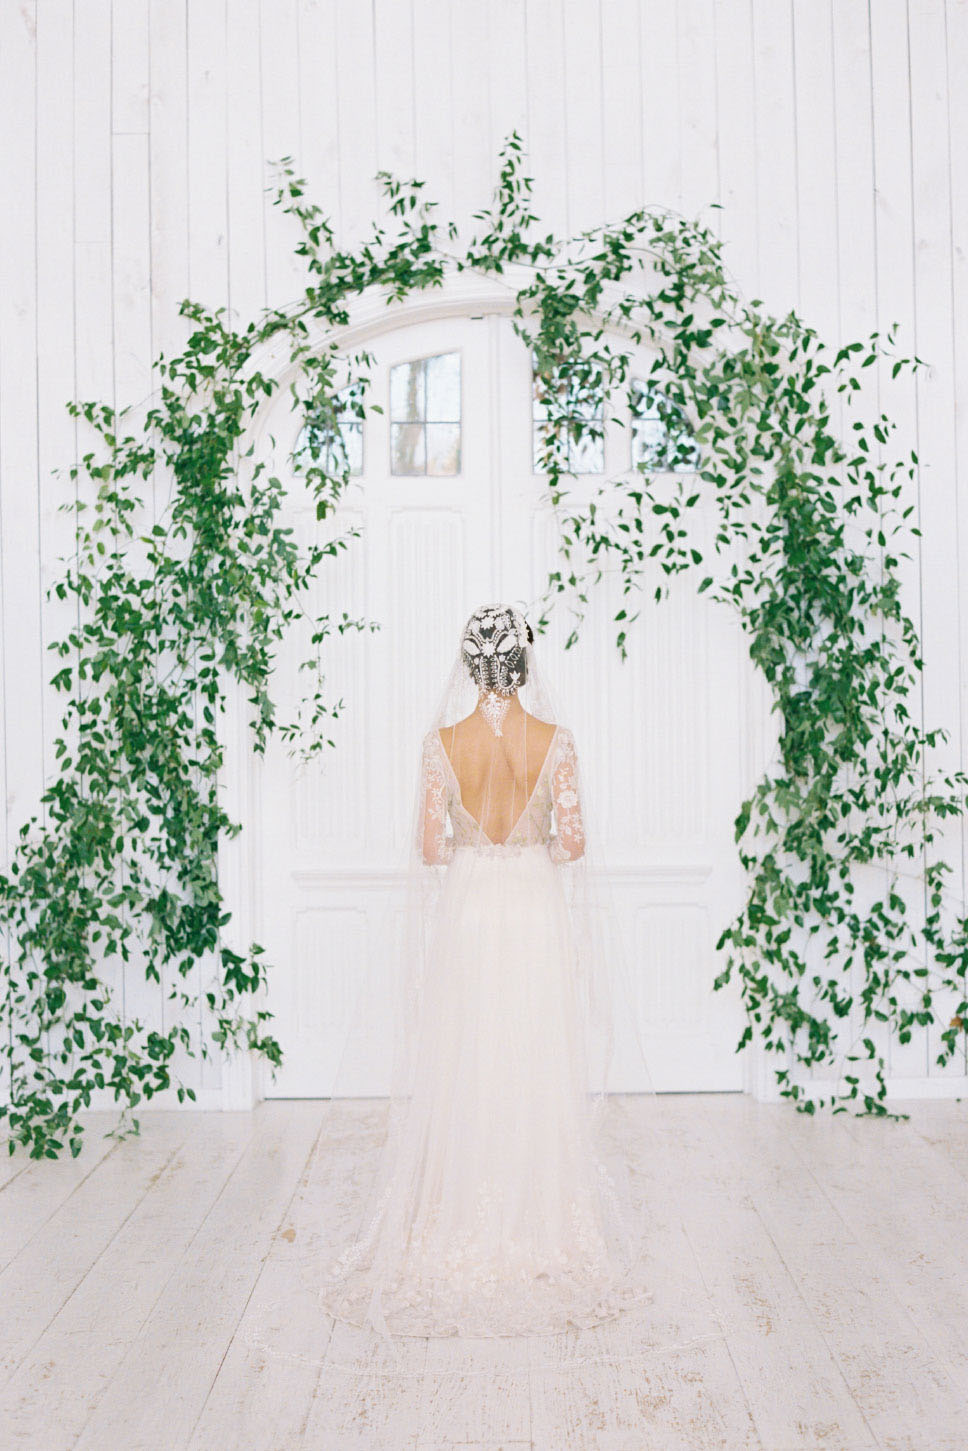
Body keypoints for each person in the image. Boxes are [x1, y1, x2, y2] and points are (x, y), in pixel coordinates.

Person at [315, 603, 655, 1343]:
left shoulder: (441, 744)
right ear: (524, 663)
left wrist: (476, 840)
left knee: (467, 1056)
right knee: (531, 1054)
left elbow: (430, 850)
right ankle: (537, 1217)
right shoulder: (556, 742)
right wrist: (527, 843)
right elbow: (574, 842)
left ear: (469, 665)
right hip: (531, 906)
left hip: (471, 909)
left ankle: (462, 1210)